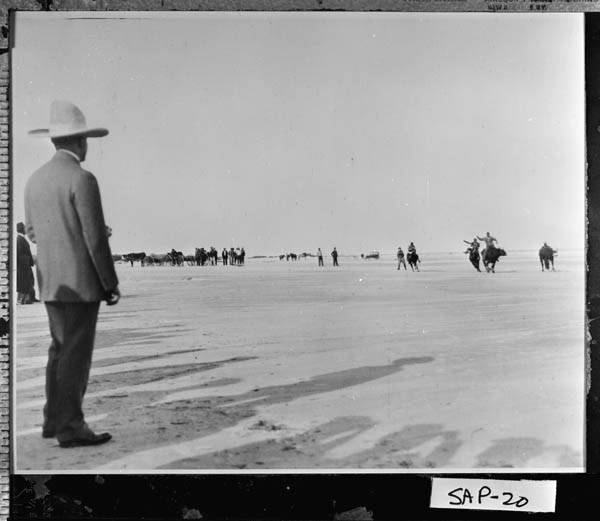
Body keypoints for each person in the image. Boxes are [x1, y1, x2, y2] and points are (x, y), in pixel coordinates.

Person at [25, 100, 120, 448]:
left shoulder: (33, 181)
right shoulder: (82, 178)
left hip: (50, 282)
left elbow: (32, 232)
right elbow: (96, 239)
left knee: (58, 350)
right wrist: (109, 283)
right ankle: (70, 426)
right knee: (75, 355)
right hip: (81, 286)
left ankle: (53, 420)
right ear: (80, 141)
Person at [16, 222, 36, 304]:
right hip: (23, 266)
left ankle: (30, 298)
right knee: (25, 282)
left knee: (29, 281)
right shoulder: (19, 239)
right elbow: (19, 253)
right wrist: (28, 260)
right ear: (22, 229)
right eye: (24, 228)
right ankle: (25, 299)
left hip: (26, 265)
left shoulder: (21, 239)